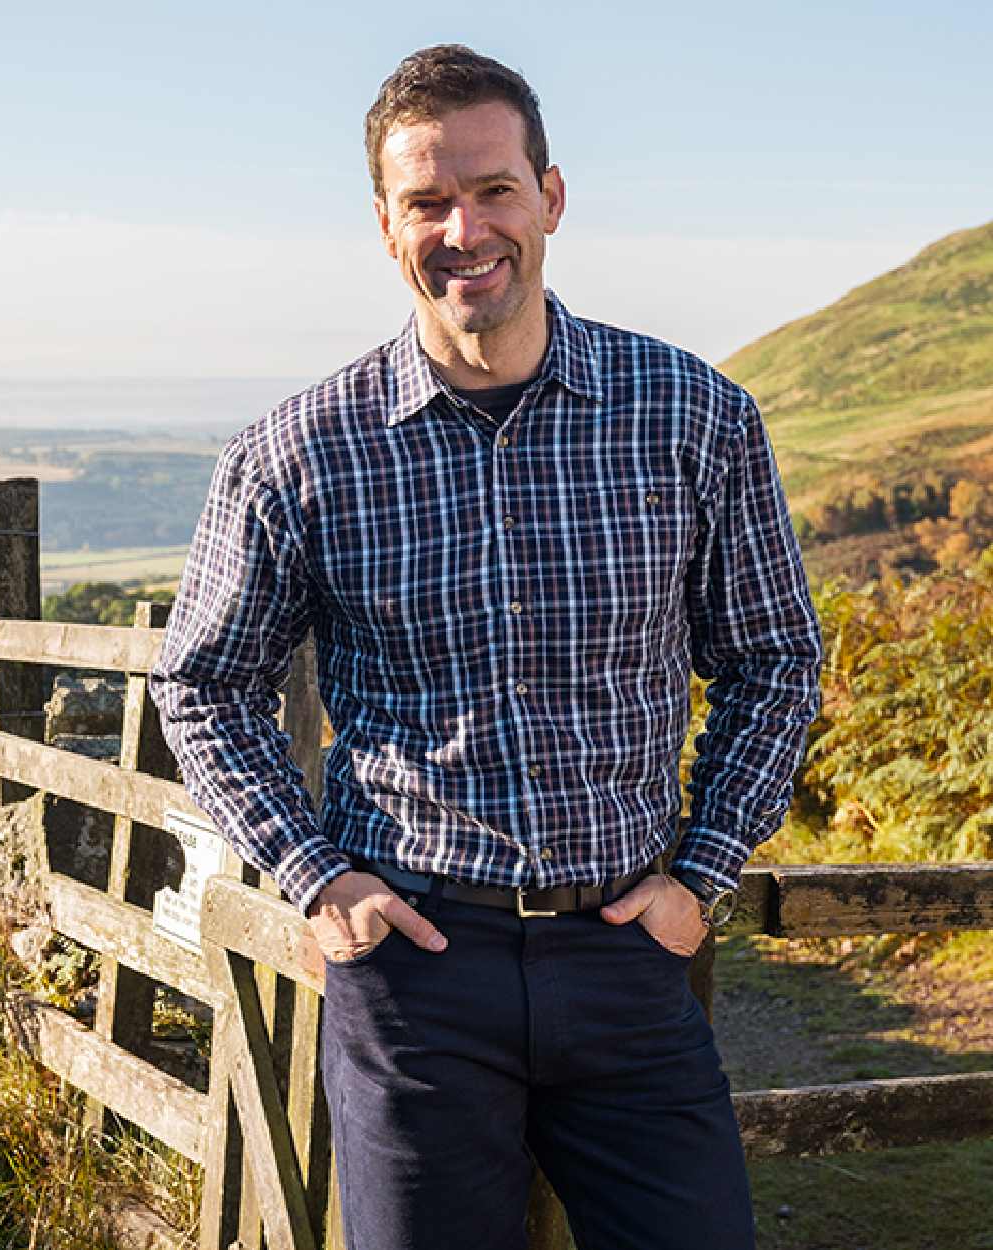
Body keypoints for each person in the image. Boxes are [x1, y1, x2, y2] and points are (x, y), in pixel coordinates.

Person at [150, 43, 822, 1250]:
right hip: (414, 973)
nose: (465, 230)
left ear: (549, 197)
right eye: (427, 201)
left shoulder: (693, 415)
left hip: (626, 955)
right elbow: (201, 683)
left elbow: (773, 655)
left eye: (494, 189)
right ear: (385, 225)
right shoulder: (298, 452)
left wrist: (700, 874)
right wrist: (317, 874)